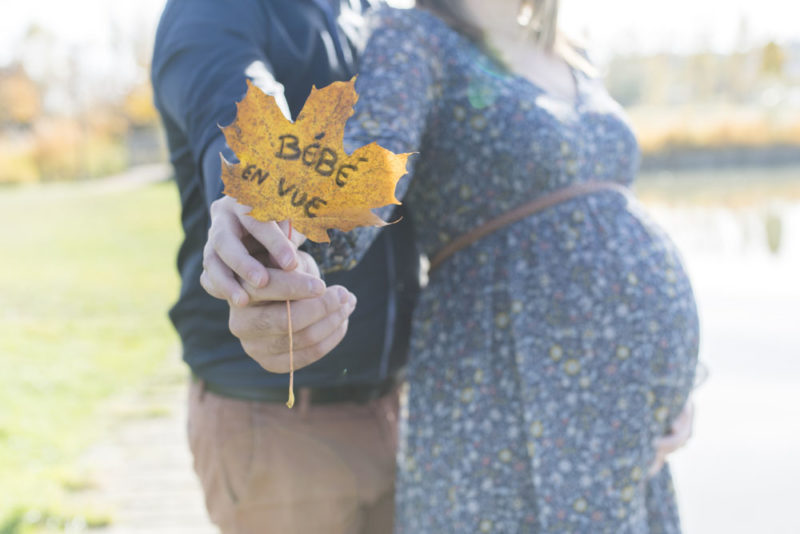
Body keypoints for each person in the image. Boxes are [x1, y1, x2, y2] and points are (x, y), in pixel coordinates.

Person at [155, 0, 697, 533]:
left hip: (412, 401)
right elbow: (245, 107)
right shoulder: (242, 12)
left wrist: (672, 377)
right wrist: (266, 207)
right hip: (288, 417)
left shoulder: (550, 47)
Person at [151, 1, 421, 532]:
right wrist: (264, 200)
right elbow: (242, 103)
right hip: (280, 425)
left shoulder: (383, 17)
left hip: (403, 412)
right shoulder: (211, 10)